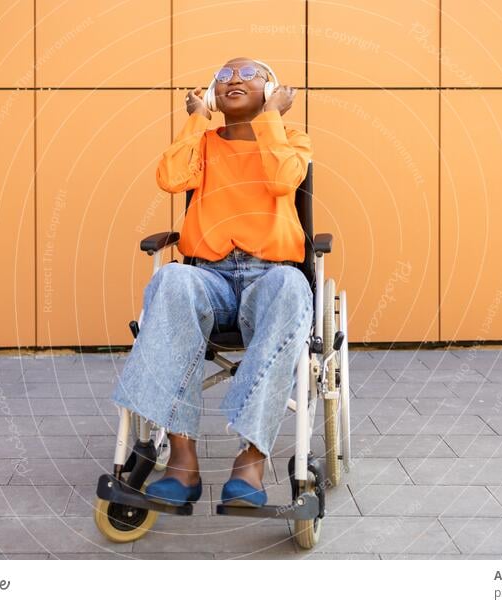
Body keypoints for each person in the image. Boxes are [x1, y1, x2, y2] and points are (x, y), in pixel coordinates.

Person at [111, 57, 313, 508]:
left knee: (293, 288)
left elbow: (284, 181)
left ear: (272, 90)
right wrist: (196, 118)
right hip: (210, 277)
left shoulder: (292, 140)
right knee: (170, 280)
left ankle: (251, 460)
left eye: (248, 74)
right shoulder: (202, 144)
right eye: (223, 77)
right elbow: (171, 178)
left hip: (270, 277)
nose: (234, 80)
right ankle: (182, 460)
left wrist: (272, 121)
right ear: (211, 95)